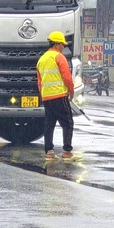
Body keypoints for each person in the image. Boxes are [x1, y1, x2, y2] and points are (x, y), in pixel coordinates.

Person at [37, 31, 77, 160]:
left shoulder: (41, 59)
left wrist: (43, 95)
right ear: (57, 44)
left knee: (49, 124)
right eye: (62, 45)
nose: (63, 47)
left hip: (47, 97)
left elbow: (40, 82)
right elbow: (67, 77)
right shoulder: (59, 57)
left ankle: (49, 151)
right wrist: (71, 91)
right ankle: (67, 151)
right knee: (68, 123)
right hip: (59, 95)